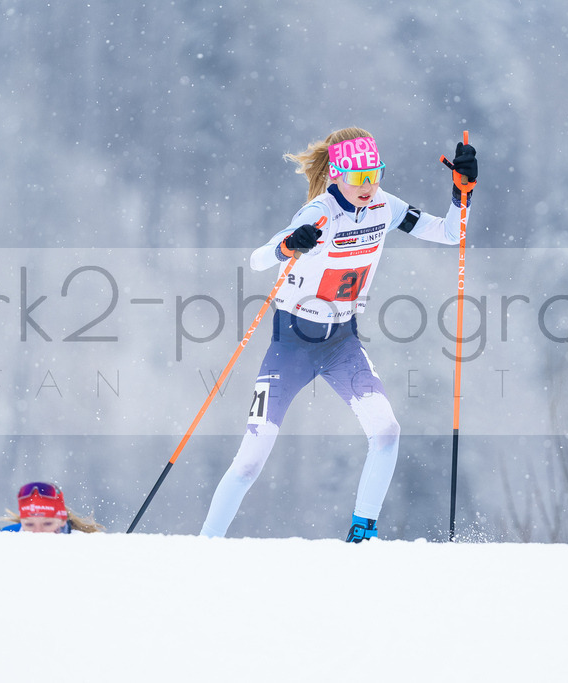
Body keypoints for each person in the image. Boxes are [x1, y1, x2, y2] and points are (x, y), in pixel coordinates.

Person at [199, 127, 478, 542]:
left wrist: (461, 196)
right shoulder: (318, 212)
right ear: (336, 174)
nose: (369, 186)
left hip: (341, 344)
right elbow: (259, 259)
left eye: (375, 174)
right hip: (291, 346)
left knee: (387, 432)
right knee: (249, 462)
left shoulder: (386, 207)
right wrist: (290, 244)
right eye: (358, 177)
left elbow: (450, 233)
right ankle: (205, 545)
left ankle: (363, 532)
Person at [0, 459, 103, 533]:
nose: (38, 533)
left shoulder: (83, 545)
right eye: (29, 525)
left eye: (47, 524)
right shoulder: (11, 536)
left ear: (61, 520)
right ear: (22, 521)